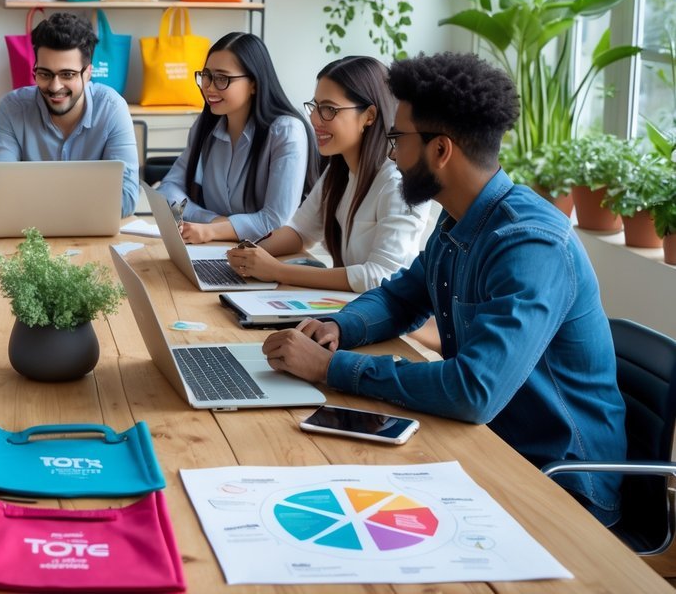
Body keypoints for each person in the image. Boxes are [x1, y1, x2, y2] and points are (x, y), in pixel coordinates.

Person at [261, 52, 627, 524]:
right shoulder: (458, 218)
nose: (390, 152)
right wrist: (340, 327)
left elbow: (473, 390)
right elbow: (400, 296)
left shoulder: (530, 245)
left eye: (398, 138)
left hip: (558, 482)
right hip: (487, 443)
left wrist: (333, 368)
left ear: (441, 151)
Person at [225, 56, 428, 291]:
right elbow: (300, 232)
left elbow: (381, 277)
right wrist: (246, 255)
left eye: (329, 109)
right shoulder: (339, 169)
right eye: (316, 106)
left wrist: (277, 271)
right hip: (350, 309)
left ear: (369, 116)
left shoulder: (396, 183)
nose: (315, 119)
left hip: (383, 319)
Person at [157, 32, 316, 243]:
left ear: (254, 84)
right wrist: (213, 221)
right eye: (206, 75)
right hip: (215, 249)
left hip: (268, 257)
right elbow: (167, 190)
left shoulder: (286, 132)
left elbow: (276, 221)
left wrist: (213, 230)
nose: (209, 87)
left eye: (222, 78)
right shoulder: (205, 127)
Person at [0, 12, 139, 217]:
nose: (55, 87)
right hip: (31, 235)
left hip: (91, 236)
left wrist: (34, 196)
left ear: (88, 73)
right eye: (45, 74)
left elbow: (126, 198)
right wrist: (87, 197)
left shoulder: (112, 109)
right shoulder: (12, 108)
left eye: (67, 74)